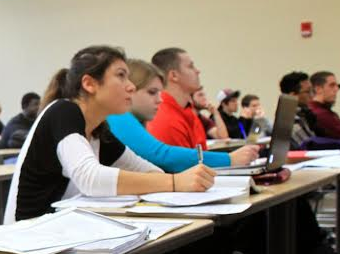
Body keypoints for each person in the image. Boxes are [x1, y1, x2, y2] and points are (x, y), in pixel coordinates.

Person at [4, 46, 216, 224]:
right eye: (121, 76)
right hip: (28, 238)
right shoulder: (63, 111)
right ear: (89, 84)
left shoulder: (98, 131)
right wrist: (174, 182)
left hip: (64, 232)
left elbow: (149, 171)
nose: (131, 86)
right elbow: (91, 178)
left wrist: (177, 181)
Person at [108, 59, 258, 173]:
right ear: (129, 90)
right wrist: (229, 159)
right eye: (152, 92)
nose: (160, 99)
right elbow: (161, 155)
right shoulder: (117, 116)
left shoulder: (134, 119)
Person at [147, 47, 259, 160]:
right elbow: (185, 169)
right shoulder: (165, 118)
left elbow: (199, 159)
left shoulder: (188, 111)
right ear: (174, 76)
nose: (197, 71)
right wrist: (230, 159)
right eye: (191, 66)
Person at [309, 71, 340, 139]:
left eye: (337, 86)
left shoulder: (321, 111)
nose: (336, 89)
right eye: (332, 85)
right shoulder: (320, 114)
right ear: (318, 89)